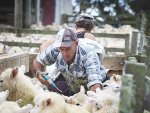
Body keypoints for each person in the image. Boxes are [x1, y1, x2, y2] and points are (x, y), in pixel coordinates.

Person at [33, 28, 108, 96]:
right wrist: (38, 73)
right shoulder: (56, 49)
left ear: (76, 44)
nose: (65, 53)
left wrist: (89, 102)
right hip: (75, 89)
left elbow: (95, 85)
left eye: (68, 49)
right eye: (62, 49)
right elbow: (38, 61)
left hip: (99, 88)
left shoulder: (88, 55)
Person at [39, 13, 98, 96]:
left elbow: (43, 45)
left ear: (76, 25)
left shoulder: (63, 36)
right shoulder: (89, 37)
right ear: (92, 27)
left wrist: (47, 66)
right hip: (78, 80)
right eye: (62, 49)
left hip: (60, 76)